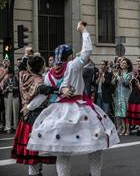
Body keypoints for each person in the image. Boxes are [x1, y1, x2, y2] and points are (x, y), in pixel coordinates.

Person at [27, 21, 119, 176]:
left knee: (62, 149)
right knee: (95, 143)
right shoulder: (73, 65)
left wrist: (29, 107)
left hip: (59, 111)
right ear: (69, 56)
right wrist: (83, 31)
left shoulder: (49, 74)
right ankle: (95, 174)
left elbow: (43, 94)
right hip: (79, 108)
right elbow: (87, 50)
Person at [11, 56, 56, 176]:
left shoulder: (23, 76)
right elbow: (43, 90)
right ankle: (35, 173)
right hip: (37, 117)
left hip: (26, 117)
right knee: (35, 151)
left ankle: (36, 172)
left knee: (33, 150)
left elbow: (20, 67)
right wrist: (57, 89)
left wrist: (26, 56)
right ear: (41, 67)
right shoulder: (38, 81)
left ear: (29, 67)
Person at [113, 58, 132, 135]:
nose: (122, 64)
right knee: (120, 113)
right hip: (118, 95)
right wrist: (115, 76)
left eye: (124, 63)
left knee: (126, 113)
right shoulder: (119, 73)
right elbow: (112, 82)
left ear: (127, 65)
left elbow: (125, 83)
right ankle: (123, 128)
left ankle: (128, 129)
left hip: (126, 95)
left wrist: (117, 76)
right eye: (121, 63)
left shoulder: (129, 74)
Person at [2, 67, 19, 133]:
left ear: (12, 73)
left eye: (9, 73)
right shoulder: (5, 80)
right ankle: (8, 127)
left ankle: (16, 127)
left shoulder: (16, 79)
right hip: (7, 96)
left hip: (15, 95)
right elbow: (3, 91)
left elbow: (19, 88)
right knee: (8, 112)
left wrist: (14, 87)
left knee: (15, 112)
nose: (8, 75)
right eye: (8, 73)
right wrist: (6, 89)